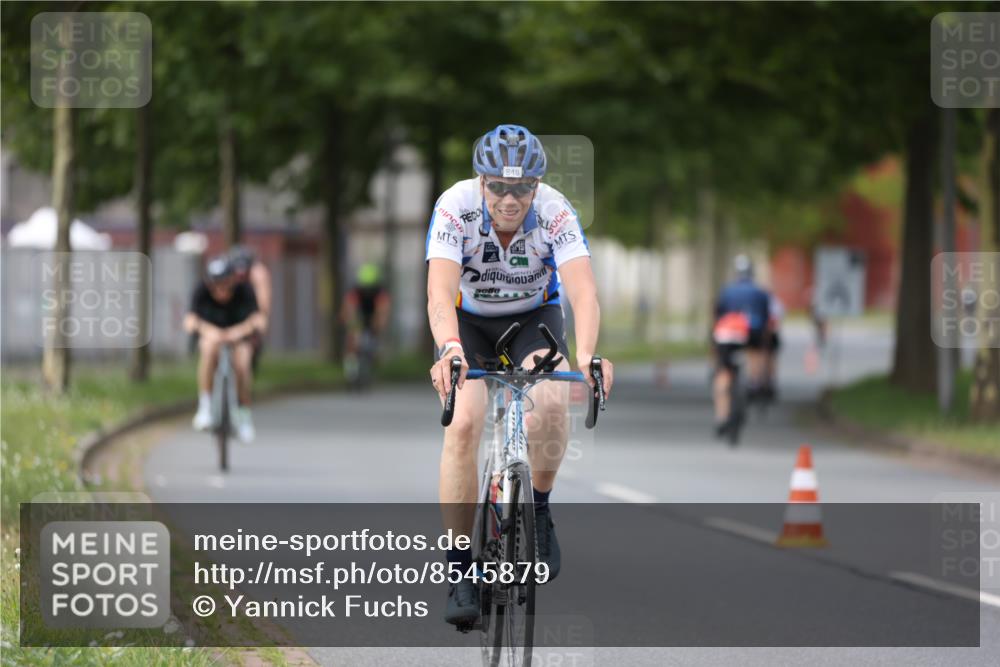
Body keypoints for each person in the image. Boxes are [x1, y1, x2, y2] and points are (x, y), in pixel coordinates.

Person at [425, 124, 614, 625]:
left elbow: (583, 292)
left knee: (551, 402)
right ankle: (460, 569)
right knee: (463, 423)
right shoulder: (454, 206)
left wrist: (590, 355)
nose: (510, 199)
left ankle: (542, 511)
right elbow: (439, 292)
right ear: (480, 180)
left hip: (534, 321)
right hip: (468, 324)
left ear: (537, 186)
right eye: (499, 187)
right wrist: (449, 349)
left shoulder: (555, 211)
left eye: (522, 188)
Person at [183, 256, 265, 443]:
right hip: (211, 335)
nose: (220, 290)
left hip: (238, 336)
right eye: (215, 285)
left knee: (243, 364)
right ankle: (205, 406)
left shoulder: (245, 290)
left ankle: (243, 415)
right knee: (208, 349)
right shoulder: (201, 290)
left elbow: (258, 319)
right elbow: (189, 321)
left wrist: (237, 332)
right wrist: (209, 331)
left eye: (224, 284)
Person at [711, 254, 770, 437]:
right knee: (756, 351)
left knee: (723, 374)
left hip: (728, 332)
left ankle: (721, 418)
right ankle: (755, 382)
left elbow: (717, 315)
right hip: (752, 330)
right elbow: (766, 320)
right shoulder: (761, 292)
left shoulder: (727, 291)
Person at [340, 262, 391, 384]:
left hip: (373, 314)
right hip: (360, 313)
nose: (368, 291)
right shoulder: (355, 291)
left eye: (371, 288)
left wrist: (379, 325)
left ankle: (371, 360)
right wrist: (350, 323)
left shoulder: (380, 292)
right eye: (365, 288)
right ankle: (350, 369)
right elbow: (348, 309)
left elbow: (383, 310)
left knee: (373, 340)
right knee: (352, 339)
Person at [229, 245, 272, 370]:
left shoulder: (258, 274)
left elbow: (263, 302)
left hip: (250, 313)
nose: (241, 274)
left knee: (253, 339)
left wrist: (261, 319)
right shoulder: (226, 272)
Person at [763, 292, 785, 401]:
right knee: (771, 357)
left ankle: (765, 380)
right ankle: (770, 380)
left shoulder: (764, 301)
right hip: (770, 333)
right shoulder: (775, 302)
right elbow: (779, 317)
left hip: (765, 333)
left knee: (763, 356)